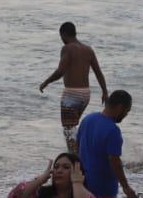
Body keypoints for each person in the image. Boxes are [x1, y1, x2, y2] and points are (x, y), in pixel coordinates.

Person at [77, 91, 136, 198]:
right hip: (103, 185)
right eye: (126, 111)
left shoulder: (88, 119)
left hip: (84, 183)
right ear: (119, 107)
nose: (125, 115)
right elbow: (114, 160)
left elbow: (77, 145)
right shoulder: (112, 130)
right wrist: (126, 187)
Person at [38, 22, 109, 154]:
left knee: (68, 130)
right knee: (72, 127)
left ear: (63, 34)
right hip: (86, 94)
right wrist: (105, 91)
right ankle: (80, 154)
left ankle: (75, 160)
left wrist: (46, 82)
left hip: (72, 94)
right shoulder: (88, 49)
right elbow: (99, 72)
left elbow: (60, 71)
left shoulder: (68, 48)